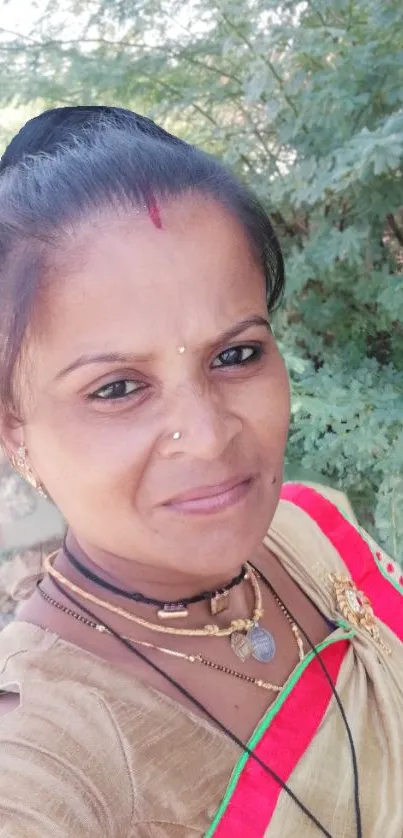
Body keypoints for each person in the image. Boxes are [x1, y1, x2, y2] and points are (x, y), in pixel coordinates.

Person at [0, 106, 401, 838]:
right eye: (117, 388)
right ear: (13, 430)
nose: (210, 438)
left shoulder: (312, 524)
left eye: (236, 354)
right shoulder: (45, 748)